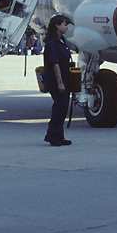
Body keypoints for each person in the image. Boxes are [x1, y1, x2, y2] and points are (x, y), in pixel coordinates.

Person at [42, 14, 74, 146]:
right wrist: (60, 83)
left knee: (63, 107)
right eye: (65, 25)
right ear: (57, 25)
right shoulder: (52, 44)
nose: (66, 27)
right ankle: (52, 135)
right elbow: (55, 63)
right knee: (59, 107)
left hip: (65, 78)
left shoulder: (62, 41)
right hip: (56, 80)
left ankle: (59, 135)